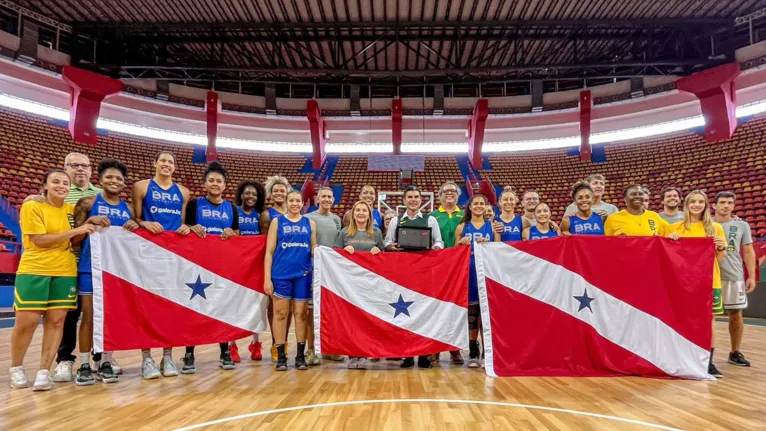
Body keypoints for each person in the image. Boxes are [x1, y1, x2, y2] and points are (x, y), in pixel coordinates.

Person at [21, 153, 105, 384]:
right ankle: (65, 360)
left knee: (95, 313)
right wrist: (35, 198)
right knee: (67, 315)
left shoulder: (100, 194)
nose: (80, 169)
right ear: (65, 169)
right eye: (73, 165)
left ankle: (99, 357)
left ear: (91, 170)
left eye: (85, 165)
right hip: (66, 262)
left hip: (94, 265)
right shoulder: (58, 196)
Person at [71, 160, 138, 386]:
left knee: (112, 316)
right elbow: (75, 239)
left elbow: (133, 243)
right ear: (100, 180)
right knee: (88, 317)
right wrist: (89, 222)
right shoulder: (87, 203)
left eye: (119, 178)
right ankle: (83, 364)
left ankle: (106, 361)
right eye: (110, 177)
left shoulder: (128, 209)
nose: (114, 181)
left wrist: (134, 228)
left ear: (124, 183)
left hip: (117, 271)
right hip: (90, 268)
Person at [131, 151, 191, 380]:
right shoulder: (141, 187)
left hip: (173, 256)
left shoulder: (183, 192)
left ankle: (168, 356)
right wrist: (144, 222)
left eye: (171, 162)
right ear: (154, 163)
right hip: (147, 254)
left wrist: (185, 228)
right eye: (163, 160)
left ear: (175, 167)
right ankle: (146, 358)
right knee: (145, 306)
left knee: (170, 306)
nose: (166, 164)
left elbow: (183, 223)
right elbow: (134, 219)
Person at [183, 161, 240, 373]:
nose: (215, 184)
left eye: (219, 181)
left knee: (221, 310)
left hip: (221, 266)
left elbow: (238, 234)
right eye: (212, 180)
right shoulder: (195, 205)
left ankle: (224, 351)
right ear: (205, 184)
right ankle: (189, 353)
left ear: (225, 185)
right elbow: (182, 228)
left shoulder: (231, 208)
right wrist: (191, 227)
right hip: (196, 266)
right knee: (194, 309)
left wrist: (233, 233)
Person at [666, 190, 726, 378]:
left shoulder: (714, 228)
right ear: (686, 204)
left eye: (701, 201)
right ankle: (682, 358)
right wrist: (671, 241)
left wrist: (721, 246)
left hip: (709, 280)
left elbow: (720, 257)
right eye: (693, 201)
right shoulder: (675, 228)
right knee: (683, 319)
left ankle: (709, 362)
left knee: (709, 321)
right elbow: (668, 255)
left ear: (706, 205)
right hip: (683, 282)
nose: (697, 205)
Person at [384, 185, 444, 369]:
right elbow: (387, 242)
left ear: (421, 200)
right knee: (404, 314)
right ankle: (407, 354)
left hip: (424, 274)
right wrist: (391, 246)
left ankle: (425, 354)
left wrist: (436, 248)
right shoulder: (395, 221)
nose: (413, 199)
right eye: (409, 196)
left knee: (424, 312)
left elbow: (439, 241)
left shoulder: (430, 220)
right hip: (402, 274)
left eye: (416, 197)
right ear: (404, 200)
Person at [264, 190, 317, 371]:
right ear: (286, 202)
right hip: (281, 274)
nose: (295, 203)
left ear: (303, 204)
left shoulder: (310, 223)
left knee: (301, 315)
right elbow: (269, 252)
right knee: (280, 314)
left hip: (303, 275)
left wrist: (321, 251)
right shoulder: (277, 222)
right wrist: (267, 279)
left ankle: (300, 355)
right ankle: (281, 355)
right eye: (291, 200)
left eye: (298, 201)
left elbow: (313, 250)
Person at [334, 201, 386, 370]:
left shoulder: (376, 233)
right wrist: (344, 251)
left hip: (369, 283)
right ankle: (352, 354)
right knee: (351, 319)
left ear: (369, 215)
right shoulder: (344, 233)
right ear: (353, 213)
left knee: (365, 319)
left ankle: (363, 353)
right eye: (358, 210)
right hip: (349, 284)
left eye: (365, 210)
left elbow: (385, 256)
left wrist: (379, 252)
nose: (361, 213)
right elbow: (333, 256)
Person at [712, 192, 757, 367]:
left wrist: (751, 276)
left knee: (736, 314)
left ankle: (735, 352)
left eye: (730, 203)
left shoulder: (742, 225)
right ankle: (706, 355)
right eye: (722, 202)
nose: (726, 206)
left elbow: (748, 251)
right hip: (710, 275)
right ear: (714, 205)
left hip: (733, 275)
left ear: (734, 206)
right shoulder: (705, 223)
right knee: (708, 317)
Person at [455, 195, 499, 368]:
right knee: (472, 315)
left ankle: (488, 351)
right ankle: (473, 350)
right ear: (470, 207)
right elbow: (454, 253)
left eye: (482, 203)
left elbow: (498, 252)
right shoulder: (462, 227)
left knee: (487, 314)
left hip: (487, 273)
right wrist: (461, 244)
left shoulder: (493, 227)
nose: (479, 206)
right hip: (469, 274)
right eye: (476, 204)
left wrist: (488, 246)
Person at [228, 181, 270, 362]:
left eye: (254, 194)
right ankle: (231, 344)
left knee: (256, 305)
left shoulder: (260, 215)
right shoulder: (232, 210)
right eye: (248, 193)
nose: (251, 197)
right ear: (241, 194)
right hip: (236, 263)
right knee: (233, 304)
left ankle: (256, 343)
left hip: (255, 264)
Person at [304, 187, 343, 364]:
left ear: (333, 200)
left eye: (329, 196)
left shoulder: (337, 220)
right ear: (317, 199)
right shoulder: (308, 218)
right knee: (312, 311)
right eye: (323, 196)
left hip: (332, 272)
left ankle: (329, 348)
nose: (326, 199)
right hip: (314, 270)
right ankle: (310, 350)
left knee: (332, 309)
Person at [428, 181, 465, 365]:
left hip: (459, 267)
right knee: (436, 307)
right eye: (445, 191)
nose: (449, 193)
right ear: (440, 195)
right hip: (437, 267)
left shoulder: (465, 215)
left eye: (453, 191)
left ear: (458, 195)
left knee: (456, 308)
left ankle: (454, 348)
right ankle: (434, 348)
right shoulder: (432, 216)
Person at [264, 175, 292, 361]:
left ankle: (284, 340)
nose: (279, 193)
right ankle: (276, 343)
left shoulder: (295, 214)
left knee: (288, 308)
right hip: (275, 265)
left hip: (292, 264)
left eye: (283, 190)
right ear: (271, 194)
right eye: (276, 191)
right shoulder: (267, 215)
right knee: (275, 307)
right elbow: (263, 244)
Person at [604, 185, 668, 237]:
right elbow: (607, 244)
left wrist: (672, 235)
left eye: (640, 194)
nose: (637, 196)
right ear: (625, 199)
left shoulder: (654, 216)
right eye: (633, 194)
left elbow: (669, 232)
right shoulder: (612, 219)